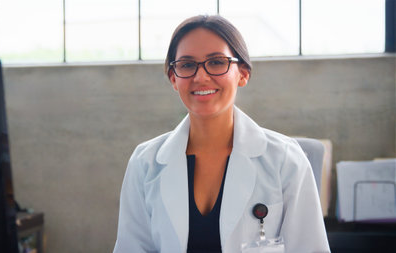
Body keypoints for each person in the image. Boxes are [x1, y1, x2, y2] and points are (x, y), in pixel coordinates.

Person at [114, 15, 329, 253]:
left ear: (243, 74)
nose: (201, 77)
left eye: (216, 62)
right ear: (174, 78)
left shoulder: (286, 160)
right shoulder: (145, 163)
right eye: (186, 64)